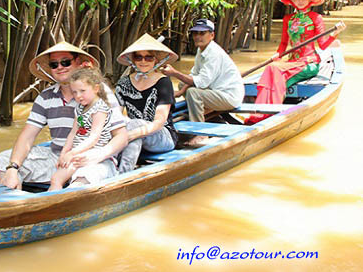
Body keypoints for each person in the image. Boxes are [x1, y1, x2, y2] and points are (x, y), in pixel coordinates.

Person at [0, 41, 128, 190]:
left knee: (84, 178)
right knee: (3, 161)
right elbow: (27, 136)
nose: (60, 67)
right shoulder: (46, 97)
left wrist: (99, 155)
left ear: (78, 63)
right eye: (54, 64)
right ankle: (15, 201)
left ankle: (60, 202)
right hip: (57, 157)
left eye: (65, 62)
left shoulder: (98, 93)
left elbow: (121, 136)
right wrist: (13, 168)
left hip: (95, 158)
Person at [244, 0, 346, 125]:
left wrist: (334, 34)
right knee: (271, 68)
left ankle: (268, 113)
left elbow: (323, 46)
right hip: (292, 62)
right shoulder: (288, 19)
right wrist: (278, 54)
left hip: (309, 63)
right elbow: (284, 44)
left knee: (274, 69)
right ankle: (262, 112)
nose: (300, 1)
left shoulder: (316, 18)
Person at [161, 19, 244, 146]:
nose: (198, 37)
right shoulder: (202, 50)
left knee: (194, 93)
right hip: (216, 91)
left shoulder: (213, 54)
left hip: (229, 96)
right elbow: (194, 75)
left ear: (212, 35)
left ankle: (200, 134)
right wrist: (180, 92)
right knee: (183, 85)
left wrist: (174, 73)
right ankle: (203, 112)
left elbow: (201, 83)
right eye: (195, 33)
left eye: (202, 33)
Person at [114, 33, 178, 172]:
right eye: (138, 57)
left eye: (148, 57)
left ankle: (123, 174)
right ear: (133, 60)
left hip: (162, 135)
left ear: (155, 60)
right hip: (133, 132)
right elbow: (115, 116)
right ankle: (107, 167)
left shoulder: (164, 82)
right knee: (117, 125)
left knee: (134, 124)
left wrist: (133, 134)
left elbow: (159, 122)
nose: (143, 61)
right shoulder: (123, 82)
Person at [49, 68, 117, 190]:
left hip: (93, 151)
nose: (78, 96)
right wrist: (64, 153)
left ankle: (59, 202)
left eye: (82, 91)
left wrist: (72, 153)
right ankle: (49, 203)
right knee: (55, 179)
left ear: (96, 89)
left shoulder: (100, 109)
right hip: (77, 151)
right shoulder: (80, 108)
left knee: (66, 179)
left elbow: (94, 138)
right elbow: (73, 132)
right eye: (74, 92)